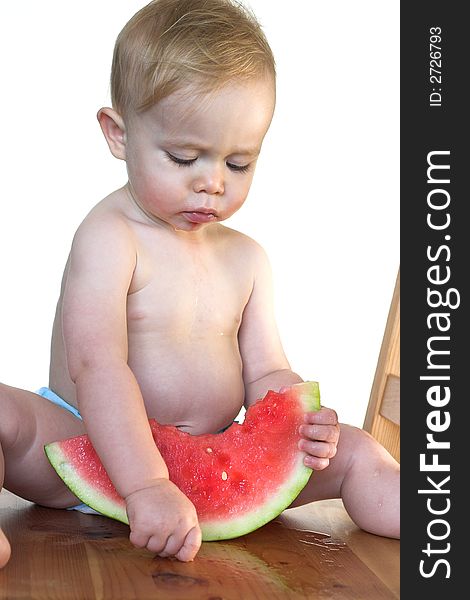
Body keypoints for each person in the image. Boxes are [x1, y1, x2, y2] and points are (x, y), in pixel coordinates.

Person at [0, 0, 399, 567]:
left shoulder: (249, 259)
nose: (212, 183)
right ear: (118, 135)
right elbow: (97, 368)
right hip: (82, 441)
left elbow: (265, 371)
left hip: (216, 457)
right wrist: (145, 486)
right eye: (184, 157)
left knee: (361, 451)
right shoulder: (110, 237)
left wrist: (299, 422)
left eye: (239, 164)